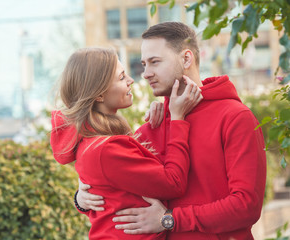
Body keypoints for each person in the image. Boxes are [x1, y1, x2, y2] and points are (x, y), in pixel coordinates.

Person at [77, 22, 267, 240]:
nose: (145, 74)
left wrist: (169, 219)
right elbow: (117, 186)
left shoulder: (236, 117)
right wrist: (82, 196)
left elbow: (246, 206)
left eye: (155, 62)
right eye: (143, 64)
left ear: (186, 59)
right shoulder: (154, 124)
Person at [50, 47, 202, 239]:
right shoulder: (106, 149)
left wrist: (163, 121)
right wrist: (178, 119)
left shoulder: (93, 141)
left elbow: (113, 197)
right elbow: (173, 183)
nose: (131, 80)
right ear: (99, 95)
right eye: (122, 77)